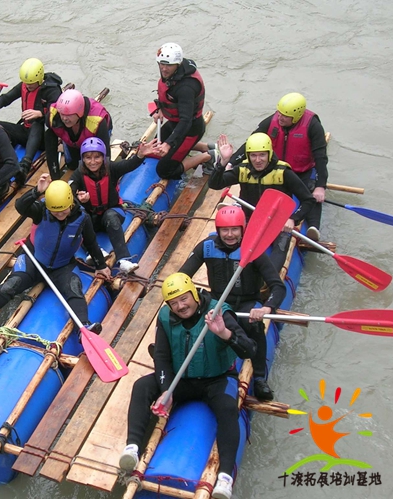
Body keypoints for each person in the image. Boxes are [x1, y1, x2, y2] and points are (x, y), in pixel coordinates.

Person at [120, 273, 256, 499]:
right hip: (181, 380)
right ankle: (132, 448)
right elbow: (161, 357)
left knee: (227, 409)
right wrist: (167, 390)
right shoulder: (165, 317)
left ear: (194, 294)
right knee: (142, 385)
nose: (180, 306)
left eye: (184, 299)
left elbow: (249, 350)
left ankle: (224, 478)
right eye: (174, 303)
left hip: (217, 379)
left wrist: (223, 332)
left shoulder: (220, 311)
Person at [0, 174, 111, 331]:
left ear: (70, 203)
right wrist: (36, 191)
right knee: (11, 285)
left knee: (74, 289)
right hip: (34, 260)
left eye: (63, 211)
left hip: (62, 266)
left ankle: (83, 326)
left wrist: (101, 265)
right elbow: (20, 206)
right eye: (55, 212)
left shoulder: (83, 218)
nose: (60, 215)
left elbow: (91, 243)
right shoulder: (41, 210)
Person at [179, 205, 286, 401]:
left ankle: (260, 378)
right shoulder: (206, 246)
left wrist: (266, 307)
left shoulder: (254, 250)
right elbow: (182, 277)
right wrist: (194, 300)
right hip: (218, 301)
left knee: (253, 327)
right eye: (225, 230)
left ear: (243, 229)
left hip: (247, 304)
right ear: (218, 230)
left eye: (235, 229)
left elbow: (278, 286)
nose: (230, 235)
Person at [227, 93, 328, 241]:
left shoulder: (313, 126)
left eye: (285, 116)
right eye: (279, 113)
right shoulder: (273, 121)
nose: (279, 117)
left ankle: (313, 227)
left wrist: (321, 186)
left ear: (297, 116)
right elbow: (250, 143)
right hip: (278, 171)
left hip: (303, 171)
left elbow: (321, 158)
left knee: (311, 194)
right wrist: (231, 163)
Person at [208, 132, 316, 271]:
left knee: (280, 247)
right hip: (250, 218)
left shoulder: (283, 172)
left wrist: (293, 219)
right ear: (248, 156)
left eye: (262, 155)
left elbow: (308, 200)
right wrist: (222, 162)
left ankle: (268, 281)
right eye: (253, 155)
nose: (258, 160)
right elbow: (214, 184)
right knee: (231, 244)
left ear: (269, 154)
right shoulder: (242, 169)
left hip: (278, 222)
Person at [70, 137, 161, 274]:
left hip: (112, 212)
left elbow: (128, 165)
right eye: (88, 158)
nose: (93, 162)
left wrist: (140, 155)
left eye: (97, 157)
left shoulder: (110, 168)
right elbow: (68, 195)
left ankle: (124, 260)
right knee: (77, 216)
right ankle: (93, 250)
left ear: (103, 157)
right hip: (91, 219)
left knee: (111, 216)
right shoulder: (78, 174)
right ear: (83, 158)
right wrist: (79, 199)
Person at [0, 58, 63, 182]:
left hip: (44, 138)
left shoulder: (52, 90)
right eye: (26, 83)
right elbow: (7, 98)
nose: (28, 86)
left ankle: (25, 164)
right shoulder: (25, 85)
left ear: (40, 79)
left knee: (36, 124)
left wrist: (40, 113)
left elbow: (59, 114)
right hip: (26, 131)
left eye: (31, 83)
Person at [151, 42, 214, 180]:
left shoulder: (186, 88)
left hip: (190, 129)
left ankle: (208, 156)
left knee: (164, 170)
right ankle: (204, 146)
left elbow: (186, 121)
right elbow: (166, 94)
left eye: (168, 65)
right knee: (155, 149)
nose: (164, 68)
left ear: (178, 64)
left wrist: (168, 144)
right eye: (161, 63)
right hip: (175, 123)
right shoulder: (171, 75)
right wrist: (160, 109)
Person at [45, 89, 113, 180]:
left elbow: (105, 155)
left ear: (79, 113)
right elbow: (50, 151)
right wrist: (55, 179)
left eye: (68, 115)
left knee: (91, 167)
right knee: (73, 165)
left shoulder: (97, 121)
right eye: (62, 114)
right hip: (72, 139)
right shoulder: (52, 117)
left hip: (93, 137)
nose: (64, 119)